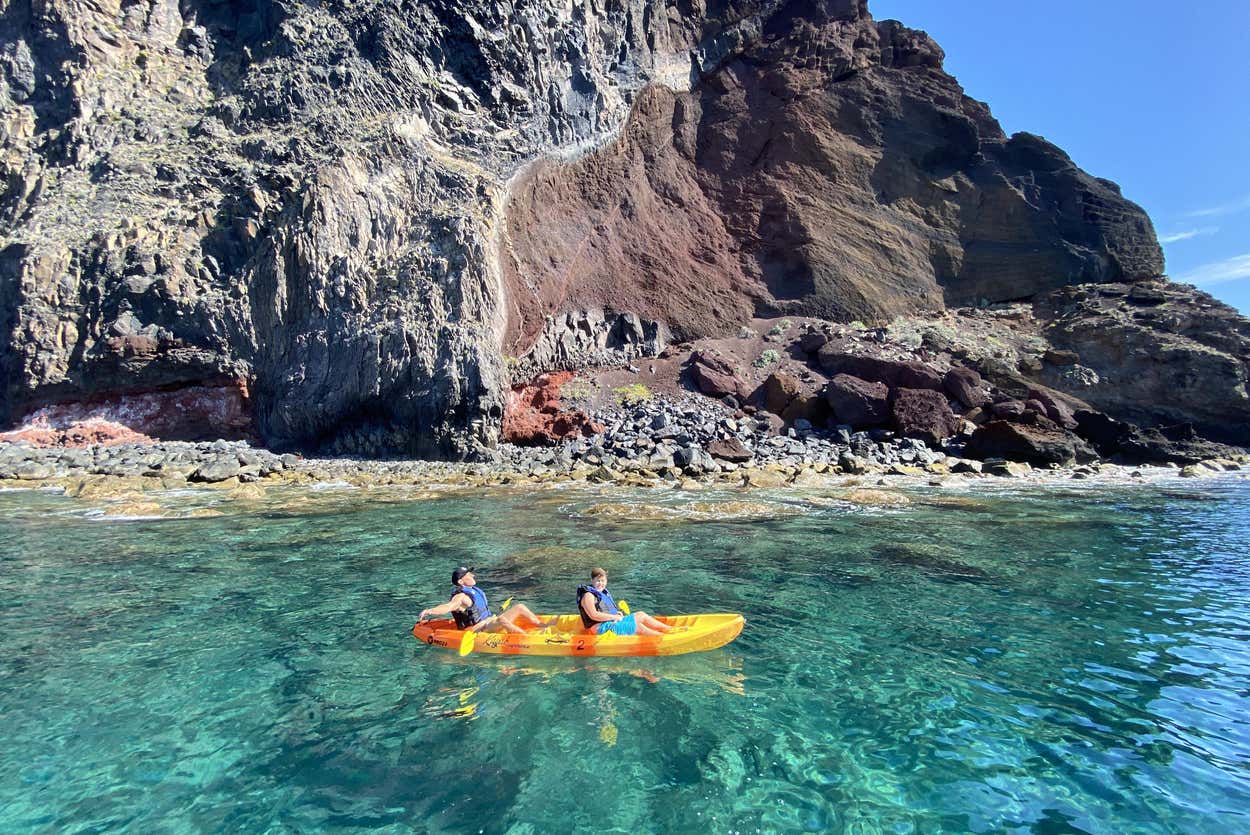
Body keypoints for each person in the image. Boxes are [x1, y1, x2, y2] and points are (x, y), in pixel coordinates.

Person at [418, 567, 549, 634]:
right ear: (461, 581)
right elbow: (447, 607)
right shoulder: (461, 597)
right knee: (502, 619)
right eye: (469, 574)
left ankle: (544, 627)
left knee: (520, 607)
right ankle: (526, 638)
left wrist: (489, 619)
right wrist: (429, 611)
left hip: (488, 622)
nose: (473, 575)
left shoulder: (473, 590)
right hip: (476, 630)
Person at [577, 567, 672, 636]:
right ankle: (663, 638)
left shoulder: (601, 592)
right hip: (599, 628)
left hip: (610, 621)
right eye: (598, 581)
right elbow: (593, 615)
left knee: (641, 615)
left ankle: (669, 630)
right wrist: (614, 616)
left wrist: (615, 613)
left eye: (603, 581)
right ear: (592, 580)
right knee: (638, 627)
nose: (601, 584)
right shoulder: (588, 595)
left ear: (606, 581)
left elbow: (604, 609)